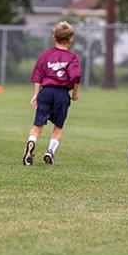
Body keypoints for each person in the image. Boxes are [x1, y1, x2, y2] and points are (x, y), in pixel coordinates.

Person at [22, 21, 81, 166]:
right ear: (71, 39)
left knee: (38, 125)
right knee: (58, 126)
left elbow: (38, 75)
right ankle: (50, 151)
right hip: (62, 94)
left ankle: (31, 143)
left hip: (46, 92)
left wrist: (35, 95)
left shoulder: (46, 55)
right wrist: (74, 93)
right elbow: (76, 77)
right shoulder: (72, 58)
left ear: (54, 37)